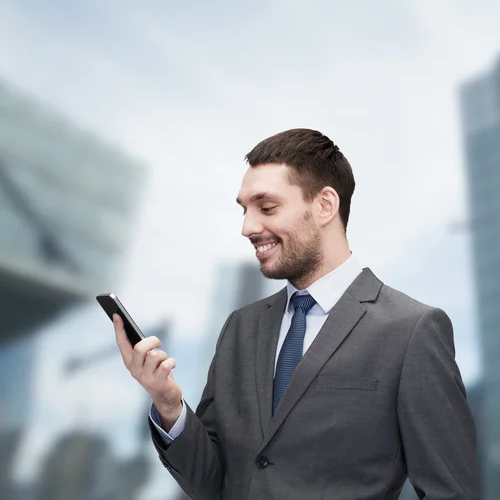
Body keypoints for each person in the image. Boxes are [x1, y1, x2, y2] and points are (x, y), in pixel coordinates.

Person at [113, 128, 480, 500]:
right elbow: (213, 483)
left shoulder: (410, 330)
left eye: (267, 207)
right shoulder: (242, 327)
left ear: (325, 206)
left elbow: (451, 492)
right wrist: (168, 403)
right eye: (244, 210)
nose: (247, 228)